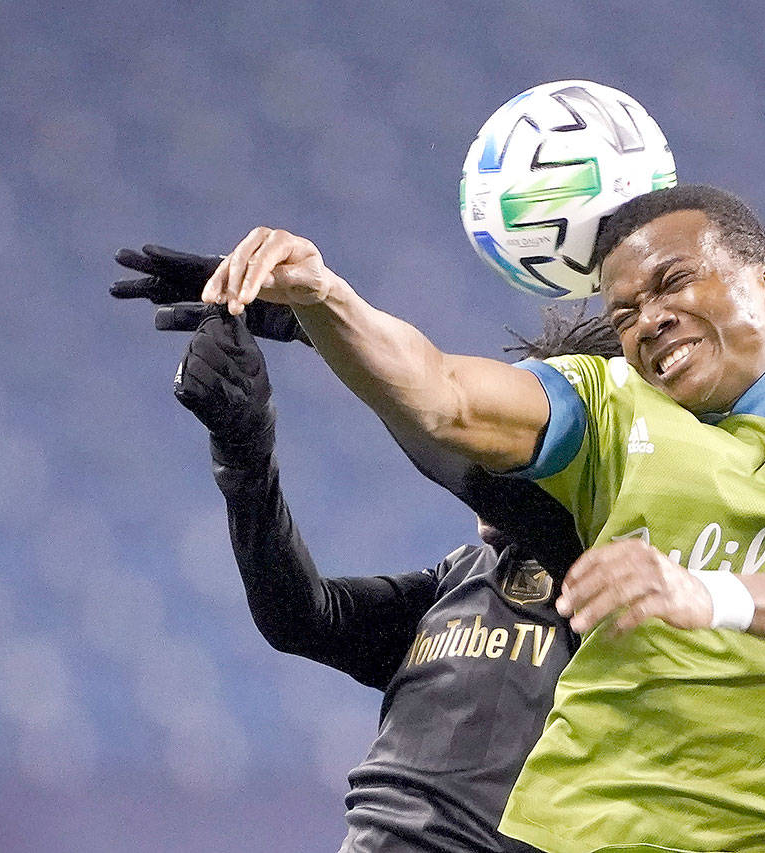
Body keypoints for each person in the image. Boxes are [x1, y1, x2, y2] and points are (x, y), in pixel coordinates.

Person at [196, 183, 765, 853]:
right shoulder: (607, 405)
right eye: (629, 309)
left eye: (676, 282)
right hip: (586, 828)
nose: (651, 319)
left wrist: (708, 595)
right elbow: (443, 394)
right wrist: (325, 297)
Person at [114, 251, 622, 851]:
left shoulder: (615, 577)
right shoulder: (463, 578)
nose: (491, 441)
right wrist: (244, 453)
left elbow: (450, 441)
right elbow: (303, 618)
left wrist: (318, 322)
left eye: (515, 432)